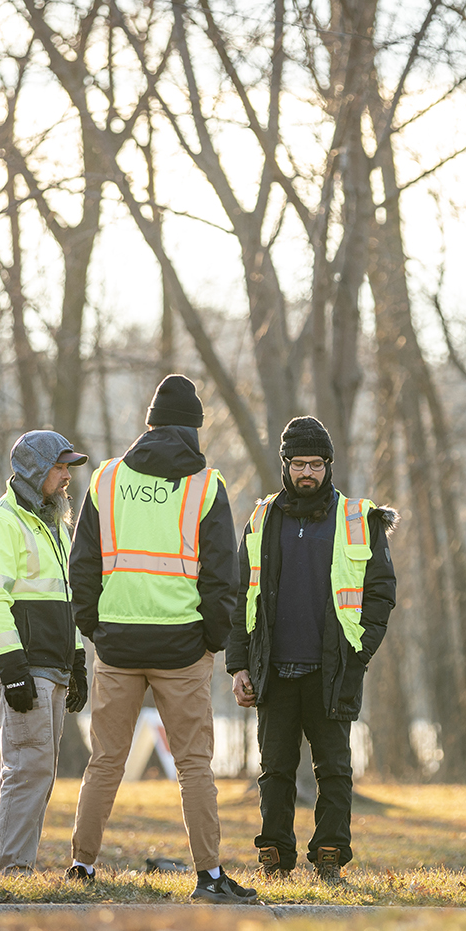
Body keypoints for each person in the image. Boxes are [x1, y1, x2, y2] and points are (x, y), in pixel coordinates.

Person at [65, 374, 256, 904]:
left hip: (118, 644)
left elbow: (83, 565)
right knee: (194, 764)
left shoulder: (105, 479)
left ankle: (80, 865)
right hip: (182, 647)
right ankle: (209, 876)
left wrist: (94, 628)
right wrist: (211, 641)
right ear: (194, 430)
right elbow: (223, 575)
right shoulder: (206, 485)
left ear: (148, 426)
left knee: (105, 759)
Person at [227, 416, 396, 884]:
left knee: (335, 771)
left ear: (329, 466)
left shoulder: (359, 518)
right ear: (284, 465)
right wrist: (238, 665)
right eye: (299, 463)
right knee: (274, 771)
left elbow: (381, 591)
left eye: (316, 464)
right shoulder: (261, 519)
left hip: (333, 669)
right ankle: (275, 858)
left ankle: (328, 857)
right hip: (273, 671)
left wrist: (360, 649)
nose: (308, 473)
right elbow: (242, 595)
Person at [0, 430, 90, 875]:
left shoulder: (53, 525)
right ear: (36, 470)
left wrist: (77, 660)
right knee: (28, 769)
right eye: (60, 468)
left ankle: (9, 871)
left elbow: (65, 599)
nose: (66, 478)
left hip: (51, 666)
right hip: (24, 667)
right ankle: (13, 873)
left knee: (36, 770)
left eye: (67, 470)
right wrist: (12, 667)